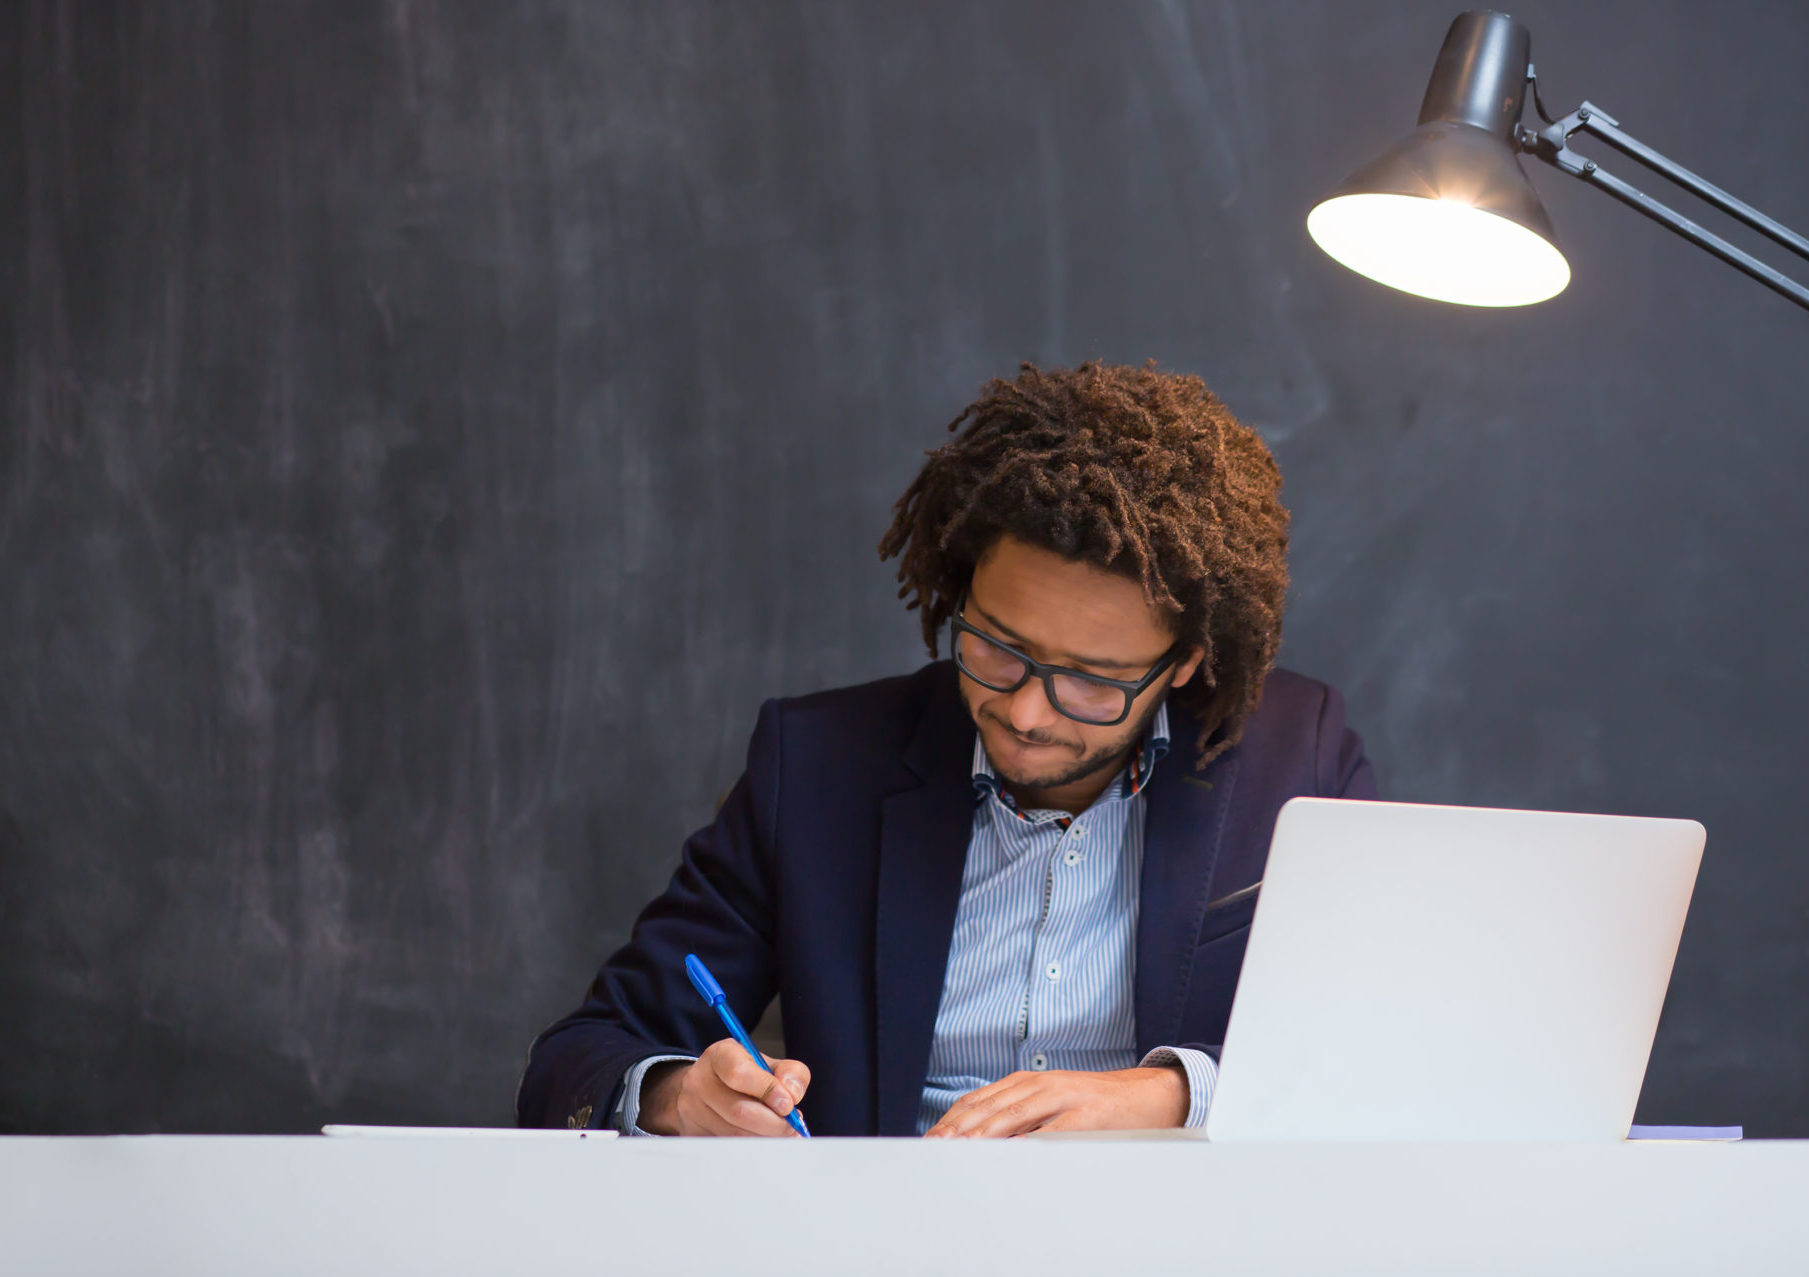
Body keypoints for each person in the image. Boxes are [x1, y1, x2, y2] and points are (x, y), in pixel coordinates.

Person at [516, 361, 1373, 1137]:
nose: (1028, 711)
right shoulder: (817, 765)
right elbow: (581, 1057)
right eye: (997, 647)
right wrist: (675, 1095)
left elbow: (1391, 1062)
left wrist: (1174, 1097)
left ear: (1184, 662)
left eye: (1090, 681)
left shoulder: (1298, 760)